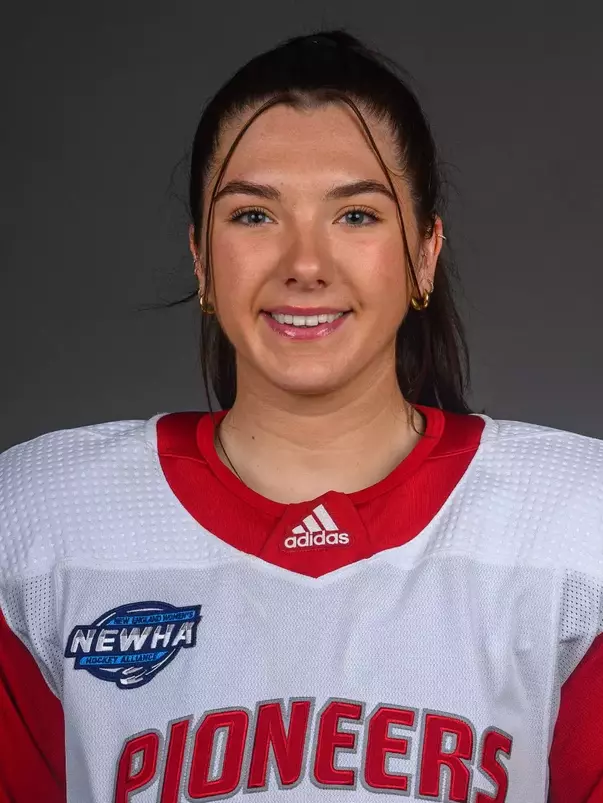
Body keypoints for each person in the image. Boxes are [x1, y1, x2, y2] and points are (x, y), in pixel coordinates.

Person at [0, 28, 601, 803]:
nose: (305, 264)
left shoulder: (574, 525)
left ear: (424, 253)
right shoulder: (38, 523)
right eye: (253, 215)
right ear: (199, 257)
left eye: (356, 216)